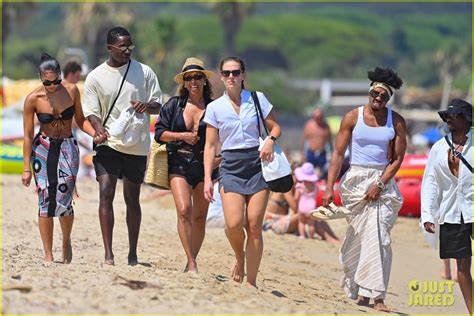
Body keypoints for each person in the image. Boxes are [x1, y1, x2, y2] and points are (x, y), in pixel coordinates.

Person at [322, 67, 406, 312]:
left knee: (379, 236)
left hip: (383, 180)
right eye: (375, 94)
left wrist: (379, 183)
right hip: (355, 180)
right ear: (369, 92)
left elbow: (398, 159)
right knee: (359, 236)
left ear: (388, 99)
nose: (378, 99)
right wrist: (329, 187)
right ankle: (361, 290)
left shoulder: (396, 121)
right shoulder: (352, 117)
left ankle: (378, 296)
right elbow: (337, 154)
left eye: (383, 96)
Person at [83, 26, 162, 266]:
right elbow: (91, 112)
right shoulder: (96, 76)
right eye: (123, 47)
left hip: (136, 145)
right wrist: (98, 130)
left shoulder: (144, 72)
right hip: (108, 144)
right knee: (106, 194)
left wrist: (146, 106)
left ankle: (132, 253)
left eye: (131, 46)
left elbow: (158, 105)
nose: (128, 50)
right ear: (110, 48)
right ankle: (108, 253)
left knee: (132, 199)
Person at [203, 56, 282, 288]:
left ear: (243, 75)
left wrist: (270, 140)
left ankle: (252, 281)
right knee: (234, 223)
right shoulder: (214, 107)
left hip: (257, 164)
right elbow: (209, 145)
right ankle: (240, 256)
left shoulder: (257, 99)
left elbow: (275, 126)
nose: (231, 77)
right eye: (226, 73)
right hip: (230, 166)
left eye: (235, 72)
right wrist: (208, 178)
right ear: (220, 76)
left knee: (255, 225)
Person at [21, 53, 96, 263]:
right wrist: (26, 168)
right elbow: (27, 135)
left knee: (64, 197)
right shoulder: (32, 99)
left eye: (56, 81)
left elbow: (81, 121)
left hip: (67, 146)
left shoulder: (71, 91)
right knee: (45, 198)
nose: (52, 86)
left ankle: (65, 240)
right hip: (42, 148)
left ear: (61, 76)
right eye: (47, 82)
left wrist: (96, 134)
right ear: (40, 77)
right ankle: (48, 253)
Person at [154, 57, 218, 273]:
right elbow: (160, 133)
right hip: (178, 162)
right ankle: (192, 262)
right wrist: (182, 135)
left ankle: (192, 258)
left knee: (200, 217)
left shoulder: (214, 107)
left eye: (197, 77)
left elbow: (226, 134)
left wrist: (221, 156)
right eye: (189, 78)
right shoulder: (174, 105)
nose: (193, 81)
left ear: (204, 80)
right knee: (184, 211)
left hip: (204, 165)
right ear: (183, 82)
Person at [421, 99, 472, 314]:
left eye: (454, 116)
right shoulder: (440, 147)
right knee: (461, 265)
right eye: (447, 116)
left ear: (466, 119)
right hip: (452, 212)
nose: (449, 119)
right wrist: (427, 215)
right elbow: (430, 181)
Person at [300, 108, 332, 175]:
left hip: (322, 153)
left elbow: (329, 140)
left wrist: (332, 153)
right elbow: (303, 140)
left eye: (320, 117)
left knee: (323, 172)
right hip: (311, 152)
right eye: (316, 117)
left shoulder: (326, 126)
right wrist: (302, 154)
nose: (318, 119)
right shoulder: (309, 125)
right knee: (309, 171)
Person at [294, 162, 318, 239]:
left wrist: (296, 203)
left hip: (302, 206)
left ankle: (302, 235)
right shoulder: (315, 186)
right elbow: (316, 195)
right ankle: (311, 237)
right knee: (311, 224)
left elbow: (296, 198)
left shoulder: (300, 186)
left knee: (301, 222)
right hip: (311, 207)